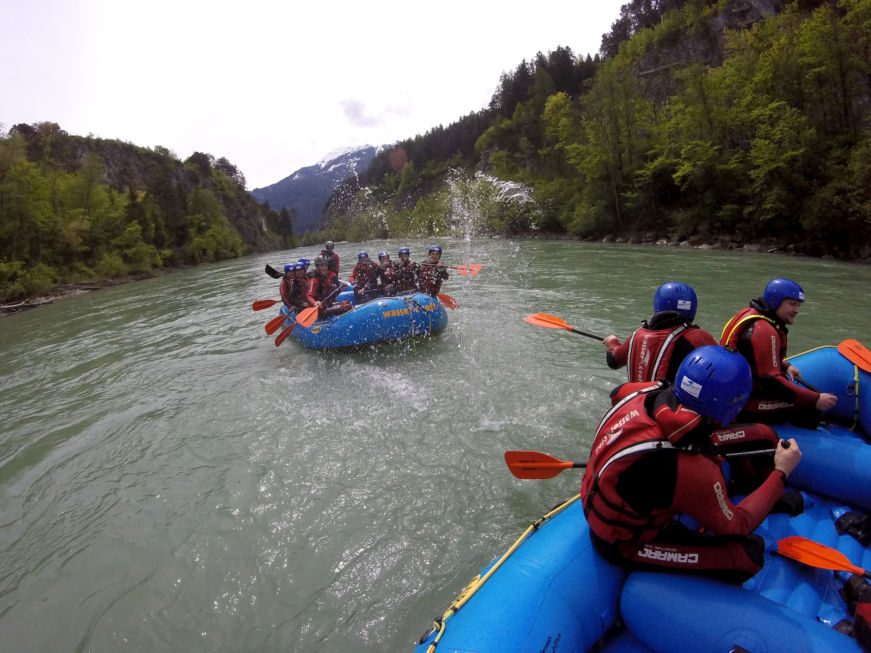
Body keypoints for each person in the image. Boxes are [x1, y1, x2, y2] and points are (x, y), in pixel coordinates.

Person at [581, 345, 801, 584]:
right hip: (624, 543)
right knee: (748, 555)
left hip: (634, 479)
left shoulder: (647, 391)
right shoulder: (693, 469)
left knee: (762, 434)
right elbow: (736, 525)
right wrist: (781, 472)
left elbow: (617, 392)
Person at [720, 278, 837, 427]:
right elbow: (772, 382)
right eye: (792, 304)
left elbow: (752, 356)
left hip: (734, 397)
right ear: (775, 301)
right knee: (810, 407)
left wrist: (786, 367)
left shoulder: (751, 315)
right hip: (746, 405)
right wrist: (815, 399)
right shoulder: (765, 330)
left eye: (798, 305)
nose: (796, 310)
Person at [603, 282, 717, 383]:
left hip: (636, 402)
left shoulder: (638, 335)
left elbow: (613, 360)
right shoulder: (699, 337)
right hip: (669, 404)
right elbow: (723, 366)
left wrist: (612, 342)